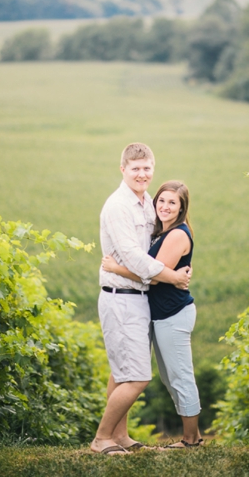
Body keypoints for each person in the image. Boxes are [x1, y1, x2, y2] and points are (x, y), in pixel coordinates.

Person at [89, 143, 191, 456]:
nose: (142, 174)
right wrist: (171, 275)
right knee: (136, 377)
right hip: (121, 298)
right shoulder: (118, 205)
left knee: (121, 371)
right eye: (135, 168)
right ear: (123, 169)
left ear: (152, 169)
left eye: (147, 168)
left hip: (139, 298)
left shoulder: (147, 202)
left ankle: (120, 436)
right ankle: (101, 439)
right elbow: (134, 256)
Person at [102, 180, 203, 449]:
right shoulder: (161, 232)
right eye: (161, 200)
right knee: (171, 377)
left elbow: (155, 278)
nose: (165, 206)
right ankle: (188, 437)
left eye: (173, 202)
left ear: (182, 208)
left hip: (173, 313)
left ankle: (192, 439)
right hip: (161, 314)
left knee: (179, 375)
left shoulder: (177, 235)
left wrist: (115, 268)